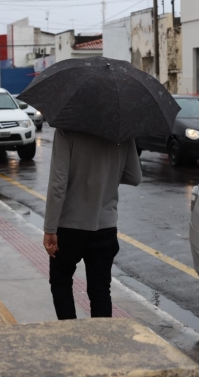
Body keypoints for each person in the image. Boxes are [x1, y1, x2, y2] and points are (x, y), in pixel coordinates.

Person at [43, 129, 142, 320]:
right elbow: (134, 177)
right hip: (106, 227)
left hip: (69, 227)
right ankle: (102, 344)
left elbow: (58, 184)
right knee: (100, 290)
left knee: (61, 283)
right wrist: (106, 174)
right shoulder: (123, 132)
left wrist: (50, 229)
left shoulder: (66, 131)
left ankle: (71, 338)